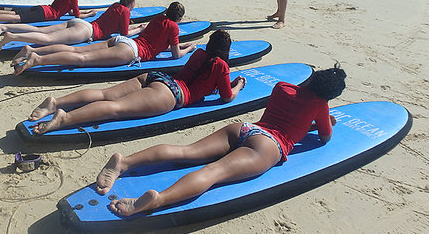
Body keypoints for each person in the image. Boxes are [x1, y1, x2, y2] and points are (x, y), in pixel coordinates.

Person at [97, 64, 347, 218]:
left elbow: (288, 112)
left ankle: (124, 163)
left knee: (186, 151)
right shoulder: (320, 106)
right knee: (213, 171)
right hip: (269, 145)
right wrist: (321, 121)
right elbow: (325, 138)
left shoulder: (282, 87)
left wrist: (309, 111)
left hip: (246, 129)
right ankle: (159, 198)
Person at [27, 30, 246, 135]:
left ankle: (56, 103)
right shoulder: (222, 66)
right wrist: (237, 85)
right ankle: (64, 118)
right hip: (173, 93)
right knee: (115, 109)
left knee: (106, 95)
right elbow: (226, 97)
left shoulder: (199, 54)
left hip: (158, 77)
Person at [12, 1, 196, 76]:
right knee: (82, 59)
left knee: (76, 50)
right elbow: (175, 55)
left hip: (121, 41)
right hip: (131, 51)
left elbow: (157, 44)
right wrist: (189, 48)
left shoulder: (158, 19)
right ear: (179, 18)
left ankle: (32, 50)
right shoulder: (173, 27)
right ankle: (38, 59)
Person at [0, 0, 146, 48]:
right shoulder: (125, 10)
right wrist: (139, 29)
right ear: (132, 3)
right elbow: (124, 34)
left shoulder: (115, 5)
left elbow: (114, 23)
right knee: (48, 39)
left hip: (81, 23)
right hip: (87, 32)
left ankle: (3, 27)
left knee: (40, 30)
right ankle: (12, 36)